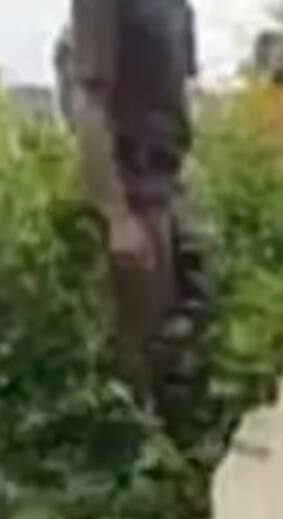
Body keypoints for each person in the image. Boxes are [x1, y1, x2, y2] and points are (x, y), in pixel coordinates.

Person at [66, 0, 209, 415]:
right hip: (132, 186)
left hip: (169, 184)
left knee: (179, 345)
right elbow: (89, 103)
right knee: (135, 363)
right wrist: (117, 216)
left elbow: (182, 96)